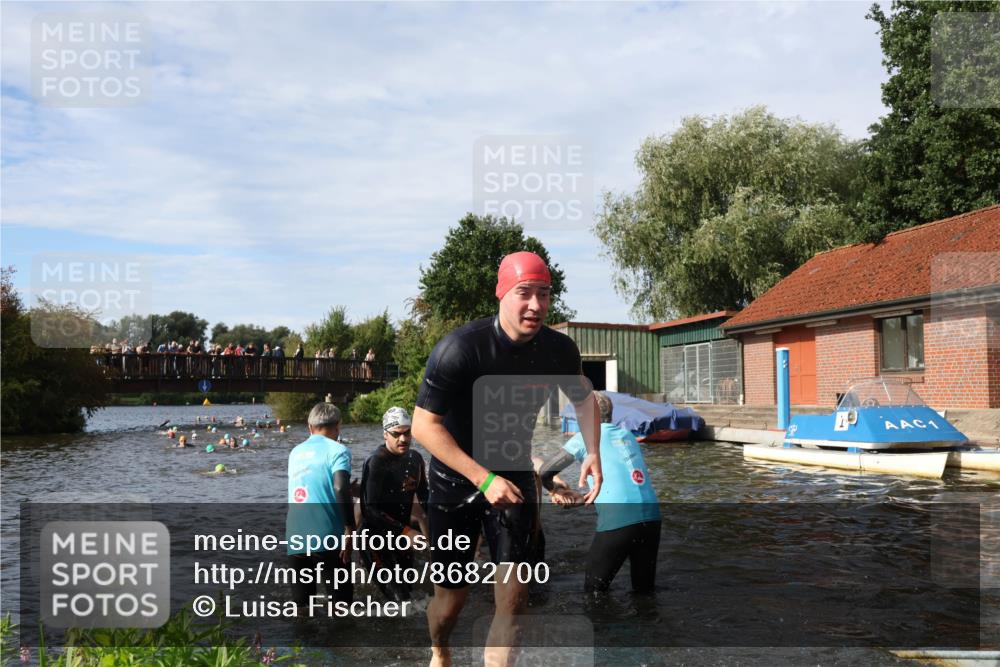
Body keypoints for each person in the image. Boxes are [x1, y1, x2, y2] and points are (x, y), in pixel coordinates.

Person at [411, 250, 603, 667]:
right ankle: (440, 652)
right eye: (524, 293)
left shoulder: (558, 350)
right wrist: (482, 479)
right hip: (454, 481)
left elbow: (586, 401)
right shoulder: (460, 349)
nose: (535, 305)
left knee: (515, 600)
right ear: (502, 294)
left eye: (544, 294)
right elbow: (424, 428)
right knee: (450, 602)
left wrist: (593, 452)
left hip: (514, 475)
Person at [538, 391, 662, 595]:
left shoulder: (582, 439)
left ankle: (604, 627)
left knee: (594, 592)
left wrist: (554, 490)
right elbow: (620, 481)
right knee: (644, 592)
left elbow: (545, 472)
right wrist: (584, 498)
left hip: (619, 520)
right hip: (652, 516)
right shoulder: (627, 435)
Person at [286, 403, 356, 613]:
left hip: (295, 535)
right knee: (341, 606)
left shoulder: (295, 453)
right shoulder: (338, 450)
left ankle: (303, 645)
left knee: (302, 608)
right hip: (328, 536)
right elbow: (340, 486)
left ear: (310, 427)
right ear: (338, 426)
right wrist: (350, 529)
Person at [360, 407, 428, 603]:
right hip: (374, 539)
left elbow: (425, 497)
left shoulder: (415, 459)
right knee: (400, 601)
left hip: (401, 537)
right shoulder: (376, 462)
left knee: (410, 594)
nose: (403, 439)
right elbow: (369, 510)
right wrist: (406, 531)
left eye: (407, 433)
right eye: (396, 434)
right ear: (385, 434)